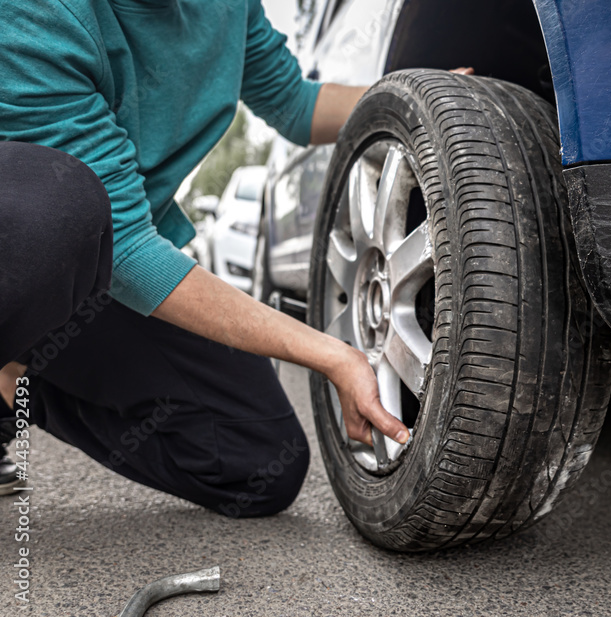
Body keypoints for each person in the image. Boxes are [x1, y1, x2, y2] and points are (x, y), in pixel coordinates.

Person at [0, 0, 470, 515]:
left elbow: (295, 104)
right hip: (26, 247)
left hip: (89, 268)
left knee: (257, 459)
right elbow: (131, 251)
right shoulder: (35, 14)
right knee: (60, 204)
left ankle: (17, 382)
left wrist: (426, 94)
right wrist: (332, 353)